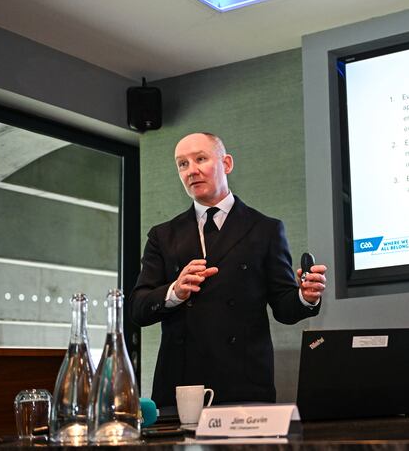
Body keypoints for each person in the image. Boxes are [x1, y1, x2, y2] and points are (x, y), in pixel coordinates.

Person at [130, 132, 326, 407]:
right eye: (182, 164)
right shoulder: (163, 235)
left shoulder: (265, 229)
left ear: (227, 163)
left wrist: (306, 295)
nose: (191, 170)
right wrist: (175, 291)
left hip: (243, 383)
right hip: (181, 385)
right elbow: (138, 309)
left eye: (200, 159)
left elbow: (284, 308)